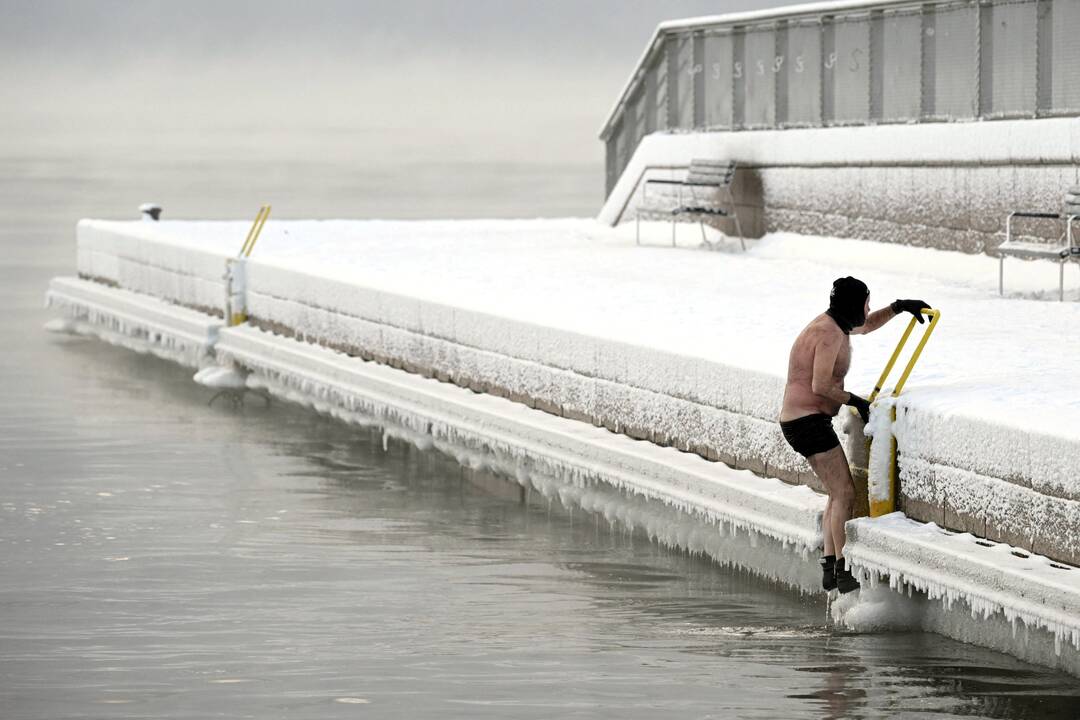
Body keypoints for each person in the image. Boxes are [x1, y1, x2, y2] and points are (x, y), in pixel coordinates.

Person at [779, 277, 928, 593]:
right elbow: (820, 387)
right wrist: (856, 401)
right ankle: (842, 569)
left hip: (806, 421)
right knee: (845, 493)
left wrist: (900, 307)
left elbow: (867, 325)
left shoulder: (836, 324)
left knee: (837, 493)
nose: (869, 308)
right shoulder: (828, 334)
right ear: (852, 305)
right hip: (806, 422)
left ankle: (831, 567)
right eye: (866, 303)